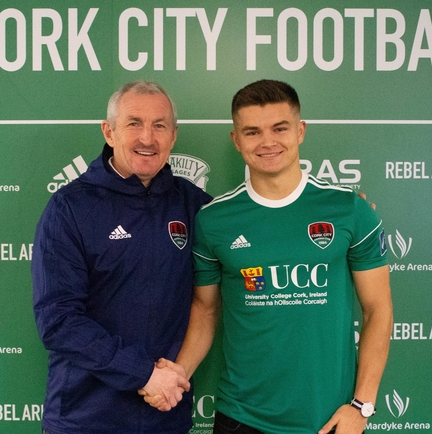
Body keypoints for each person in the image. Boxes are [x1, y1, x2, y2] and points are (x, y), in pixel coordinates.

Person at [147, 79, 393, 434]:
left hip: (329, 420)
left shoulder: (349, 210)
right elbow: (205, 308)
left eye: (280, 128)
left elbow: (378, 310)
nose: (267, 142)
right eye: (252, 132)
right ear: (236, 140)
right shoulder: (214, 220)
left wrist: (361, 405)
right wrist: (178, 373)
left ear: (300, 131)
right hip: (241, 418)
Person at [32, 81, 211, 434]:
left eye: (159, 125)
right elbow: (57, 320)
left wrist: (349, 212)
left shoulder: (194, 205)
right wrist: (143, 374)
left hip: (165, 416)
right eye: (134, 123)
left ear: (173, 136)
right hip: (84, 419)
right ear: (109, 131)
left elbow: (256, 235)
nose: (148, 137)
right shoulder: (70, 207)